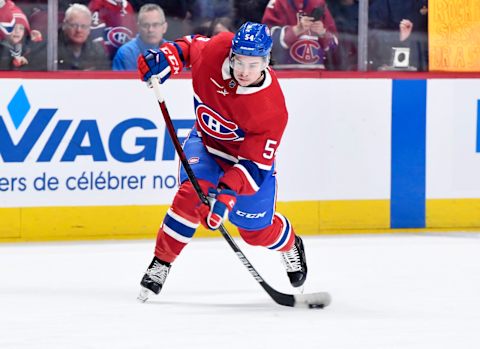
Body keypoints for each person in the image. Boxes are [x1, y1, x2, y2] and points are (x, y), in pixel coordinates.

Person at [136, 22, 308, 301]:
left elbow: (253, 168)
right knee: (192, 195)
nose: (244, 71)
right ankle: (161, 262)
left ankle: (290, 244)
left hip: (244, 165)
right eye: (239, 60)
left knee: (254, 232)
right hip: (206, 143)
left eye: (253, 64)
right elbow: (190, 47)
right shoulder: (217, 49)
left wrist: (226, 196)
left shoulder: (272, 109)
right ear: (231, 53)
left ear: (266, 61)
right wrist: (167, 58)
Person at [262, 0, 338, 68]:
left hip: (317, 74)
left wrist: (323, 33)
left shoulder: (320, 3)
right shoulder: (277, 3)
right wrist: (296, 30)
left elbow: (335, 46)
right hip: (284, 74)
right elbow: (265, 40)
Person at [368, 0, 428, 71]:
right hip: (392, 68)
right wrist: (400, 37)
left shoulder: (433, 3)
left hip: (427, 67)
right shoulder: (383, 3)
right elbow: (373, 35)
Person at [112, 3, 167, 70]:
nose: (150, 30)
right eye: (145, 25)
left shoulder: (175, 52)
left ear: (164, 27)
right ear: (138, 27)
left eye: (155, 25)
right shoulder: (125, 53)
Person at [57, 3, 110, 70]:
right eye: (74, 25)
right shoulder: (50, 49)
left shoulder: (98, 50)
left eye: (84, 26)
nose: (79, 30)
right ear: (64, 25)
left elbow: (105, 77)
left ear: (89, 29)